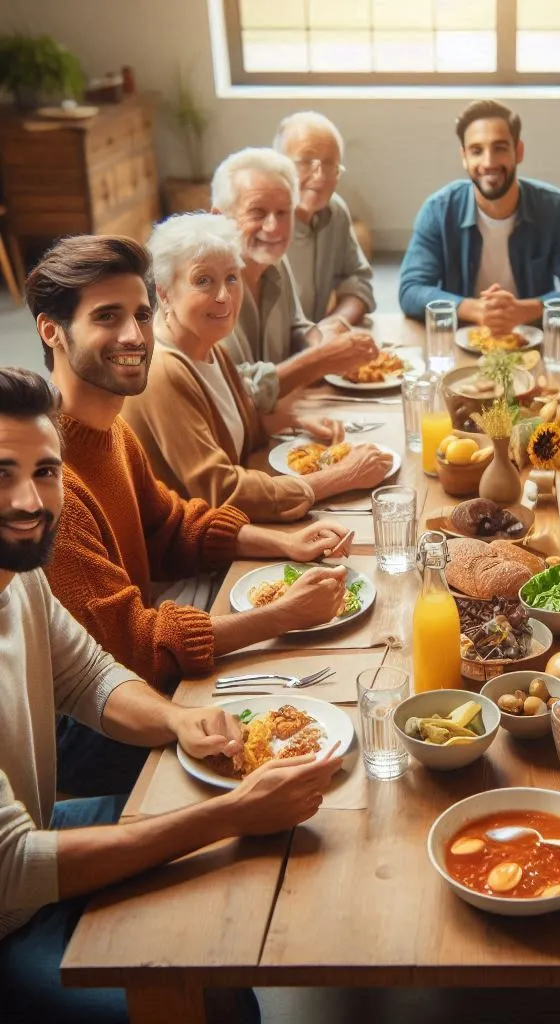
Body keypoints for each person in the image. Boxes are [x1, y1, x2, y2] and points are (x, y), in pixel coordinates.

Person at [0, 366, 341, 1023]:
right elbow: (14, 868)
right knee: (217, 998)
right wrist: (229, 815)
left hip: (36, 834)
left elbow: (88, 677)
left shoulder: (21, 577)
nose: (29, 501)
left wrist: (179, 719)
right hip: (9, 911)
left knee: (248, 877)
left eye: (45, 473)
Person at [25, 234, 356, 794]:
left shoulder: (112, 431)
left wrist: (286, 545)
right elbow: (131, 646)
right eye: (107, 317)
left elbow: (171, 526)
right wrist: (277, 617)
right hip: (85, 733)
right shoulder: (49, 481)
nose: (134, 336)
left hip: (148, 672)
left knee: (327, 705)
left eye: (141, 315)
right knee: (320, 739)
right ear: (50, 330)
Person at [122, 213, 394, 522]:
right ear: (164, 292)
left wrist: (287, 422)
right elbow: (223, 493)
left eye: (231, 278)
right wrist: (342, 475)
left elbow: (229, 433)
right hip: (200, 561)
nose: (224, 296)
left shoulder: (209, 348)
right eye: (203, 281)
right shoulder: (164, 370)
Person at [398, 99, 560, 330]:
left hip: (532, 342)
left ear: (519, 151)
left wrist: (526, 309)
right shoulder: (438, 210)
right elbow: (411, 290)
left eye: (500, 148)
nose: (488, 162)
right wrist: (473, 309)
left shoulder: (555, 208)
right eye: (477, 151)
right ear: (464, 157)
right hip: (462, 341)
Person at [210, 147, 379, 412]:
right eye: (257, 212)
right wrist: (320, 358)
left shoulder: (274, 258)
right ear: (219, 218)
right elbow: (233, 394)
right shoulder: (205, 286)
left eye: (283, 213)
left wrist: (319, 336)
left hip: (279, 420)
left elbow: (295, 327)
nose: (273, 228)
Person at [273, 110, 375, 325]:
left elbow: (359, 280)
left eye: (330, 164)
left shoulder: (335, 210)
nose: (319, 176)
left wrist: (334, 325)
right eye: (306, 161)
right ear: (278, 166)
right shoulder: (262, 225)